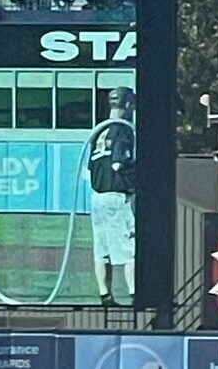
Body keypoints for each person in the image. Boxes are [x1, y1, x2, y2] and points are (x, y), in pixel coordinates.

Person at [88, 86, 136, 306]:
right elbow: (118, 163)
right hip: (117, 195)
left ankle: (104, 294)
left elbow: (90, 168)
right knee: (131, 250)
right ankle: (135, 294)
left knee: (102, 250)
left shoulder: (99, 130)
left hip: (97, 196)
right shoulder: (123, 129)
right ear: (127, 104)